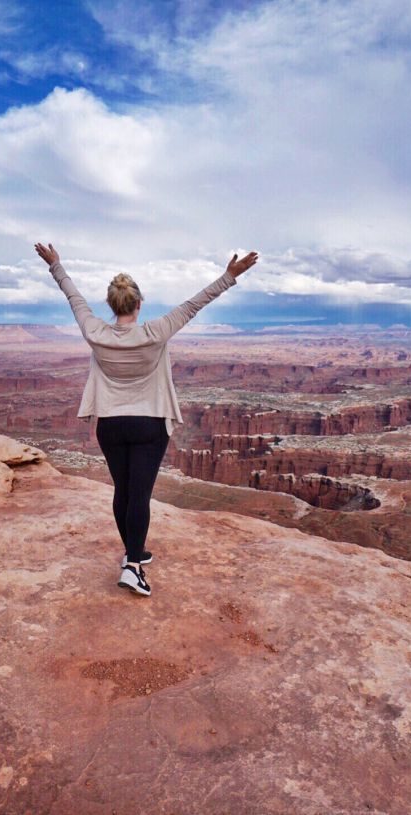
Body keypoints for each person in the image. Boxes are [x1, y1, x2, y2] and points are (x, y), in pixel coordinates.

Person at [34, 241, 258, 597]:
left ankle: (133, 551)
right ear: (139, 305)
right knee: (139, 494)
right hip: (148, 424)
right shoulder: (156, 331)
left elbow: (73, 298)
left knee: (123, 491)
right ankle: (133, 567)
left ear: (111, 306)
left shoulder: (95, 331)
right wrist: (229, 276)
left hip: (111, 424)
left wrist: (56, 266)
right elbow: (195, 304)